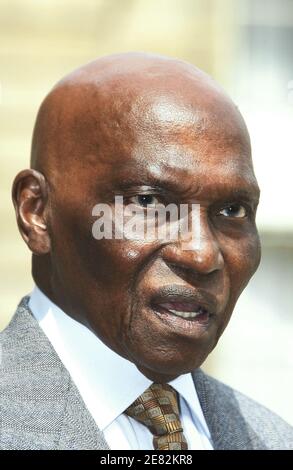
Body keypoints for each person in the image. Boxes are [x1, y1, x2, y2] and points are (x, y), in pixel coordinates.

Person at [1, 52, 292, 450]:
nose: (202, 254)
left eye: (232, 210)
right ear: (37, 212)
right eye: (150, 202)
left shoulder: (273, 439)